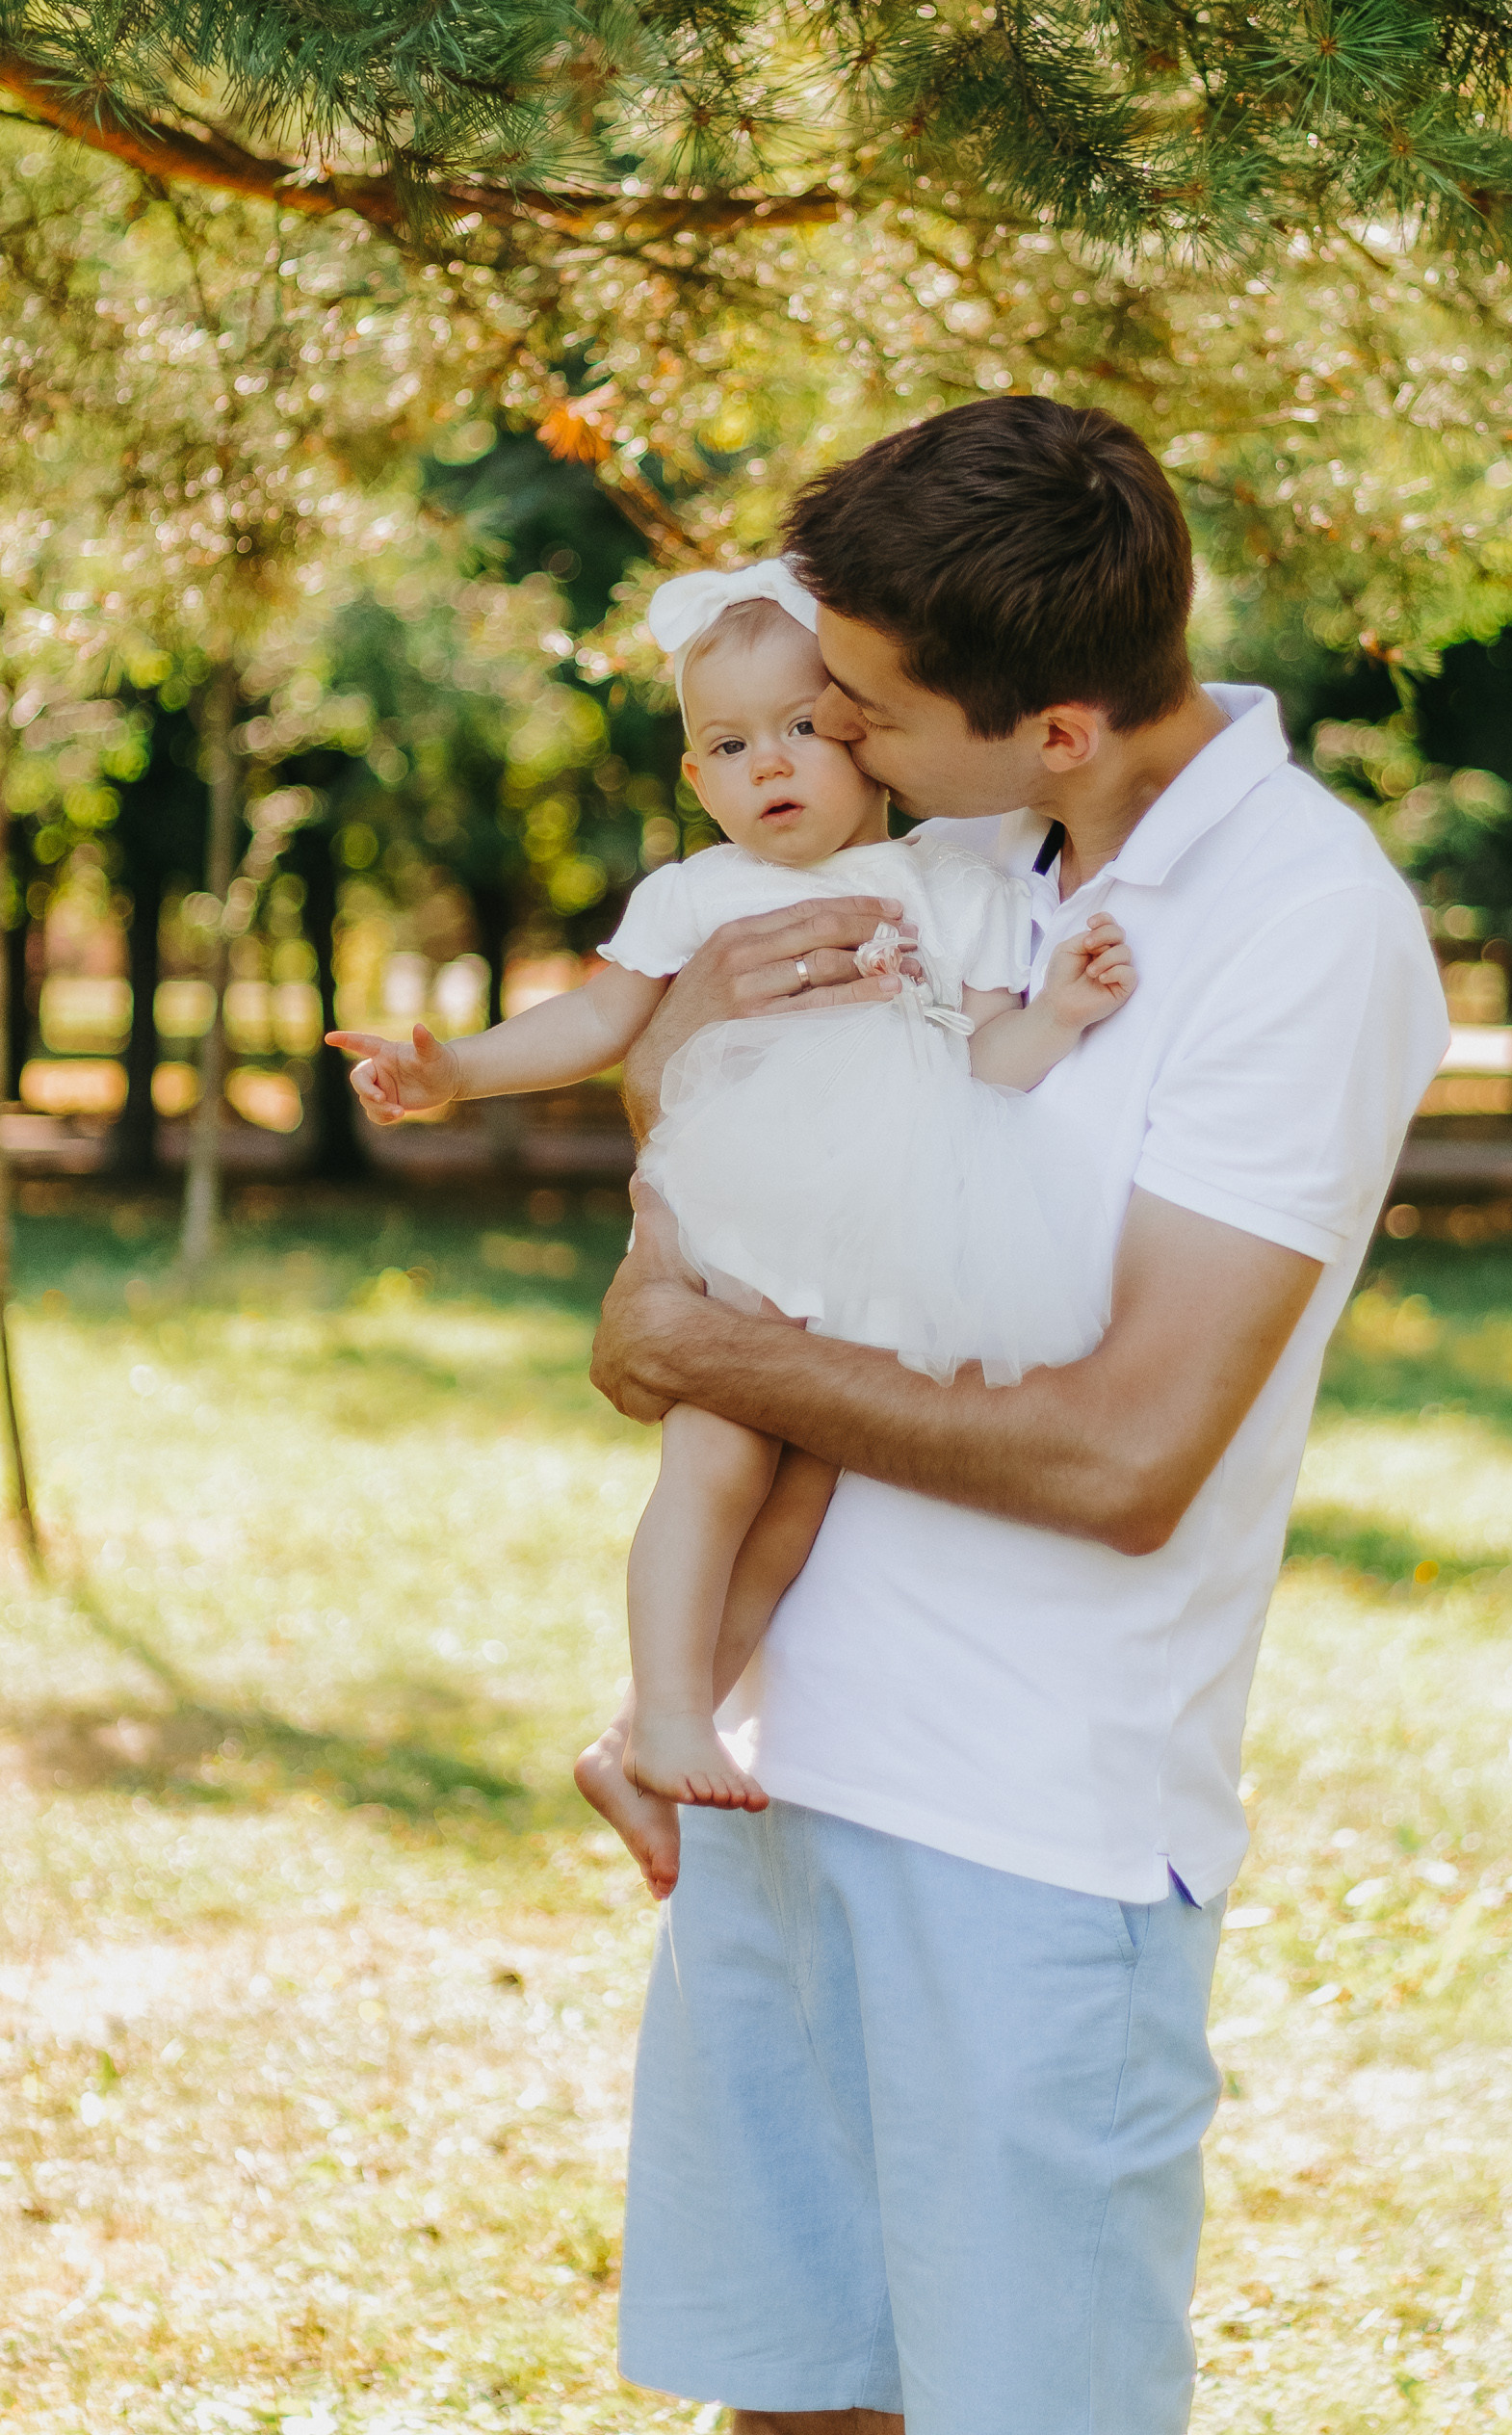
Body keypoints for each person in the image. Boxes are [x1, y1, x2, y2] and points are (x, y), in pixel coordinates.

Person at [581, 396, 1450, 2435]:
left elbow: (1122, 1455)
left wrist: (700, 1351)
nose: (833, 738)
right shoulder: (958, 847)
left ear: (1056, 721)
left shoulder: (1300, 932)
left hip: (1029, 1827)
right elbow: (712, 1149)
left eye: (870, 705)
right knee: (788, 2397)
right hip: (777, 1768)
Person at [326, 560, 1135, 1898]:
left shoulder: (949, 885)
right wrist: (456, 1072)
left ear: (865, 738)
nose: (771, 763)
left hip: (881, 1251)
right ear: (695, 781)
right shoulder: (694, 894)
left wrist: (1055, 1017)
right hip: (748, 1227)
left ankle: (651, 1732)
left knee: (805, 1493)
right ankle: (670, 1711)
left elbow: (981, 1059)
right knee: (713, 1461)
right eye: (729, 743)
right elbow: (598, 1023)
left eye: (802, 728)